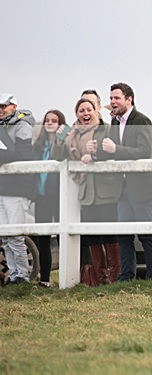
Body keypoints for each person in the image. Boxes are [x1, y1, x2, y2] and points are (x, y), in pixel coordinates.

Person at [101, 82, 152, 281]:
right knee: (124, 235)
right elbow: (109, 149)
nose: (113, 102)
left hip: (142, 187)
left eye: (116, 98)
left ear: (129, 99)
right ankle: (126, 276)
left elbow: (144, 151)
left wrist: (115, 150)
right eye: (111, 98)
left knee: (146, 235)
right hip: (122, 188)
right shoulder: (115, 123)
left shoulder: (142, 120)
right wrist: (93, 154)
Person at [65, 98, 122, 285]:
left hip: (105, 189)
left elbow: (112, 149)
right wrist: (60, 139)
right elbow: (59, 155)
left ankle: (114, 275)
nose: (85, 113)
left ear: (96, 111)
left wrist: (95, 154)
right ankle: (99, 276)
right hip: (86, 191)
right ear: (77, 114)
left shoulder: (105, 129)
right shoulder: (72, 134)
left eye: (89, 109)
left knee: (109, 232)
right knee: (91, 234)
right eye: (81, 110)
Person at [0, 94, 36, 285]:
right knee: (5, 237)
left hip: (18, 189)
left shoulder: (23, 125)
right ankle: (13, 274)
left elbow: (23, 153)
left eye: (3, 106)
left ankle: (22, 275)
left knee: (15, 236)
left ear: (13, 106)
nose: (1, 110)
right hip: (3, 188)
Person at [32, 109, 69, 287]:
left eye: (54, 120)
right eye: (47, 120)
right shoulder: (38, 145)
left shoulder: (66, 140)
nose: (50, 123)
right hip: (41, 197)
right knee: (43, 239)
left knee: (64, 237)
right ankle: (45, 279)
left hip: (59, 196)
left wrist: (63, 137)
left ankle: (67, 277)